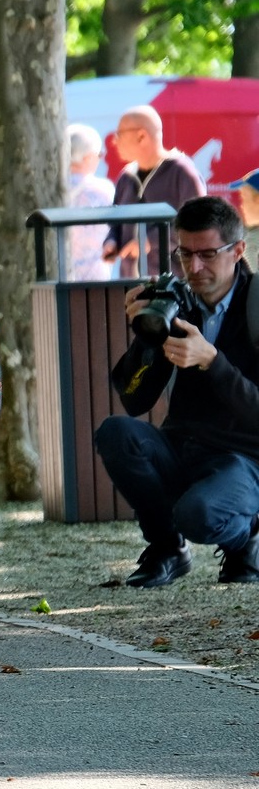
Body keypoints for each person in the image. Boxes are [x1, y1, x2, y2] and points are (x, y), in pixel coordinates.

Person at [95, 197, 259, 587]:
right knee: (116, 433)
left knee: (197, 514)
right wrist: (146, 337)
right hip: (182, 447)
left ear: (238, 250)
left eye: (207, 254)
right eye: (184, 254)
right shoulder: (179, 303)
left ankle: (248, 539)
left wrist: (212, 362)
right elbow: (135, 401)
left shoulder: (256, 308)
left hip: (243, 459)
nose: (194, 268)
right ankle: (167, 549)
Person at [105, 104, 205, 276]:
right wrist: (112, 241)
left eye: (119, 134)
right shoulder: (126, 177)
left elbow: (199, 222)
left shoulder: (182, 172)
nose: (115, 141)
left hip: (173, 283)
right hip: (130, 285)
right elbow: (115, 221)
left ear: (142, 136)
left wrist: (149, 240)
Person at [63, 122, 117, 282]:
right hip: (95, 278)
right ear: (87, 158)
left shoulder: (52, 189)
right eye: (99, 155)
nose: (101, 160)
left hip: (59, 276)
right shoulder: (103, 189)